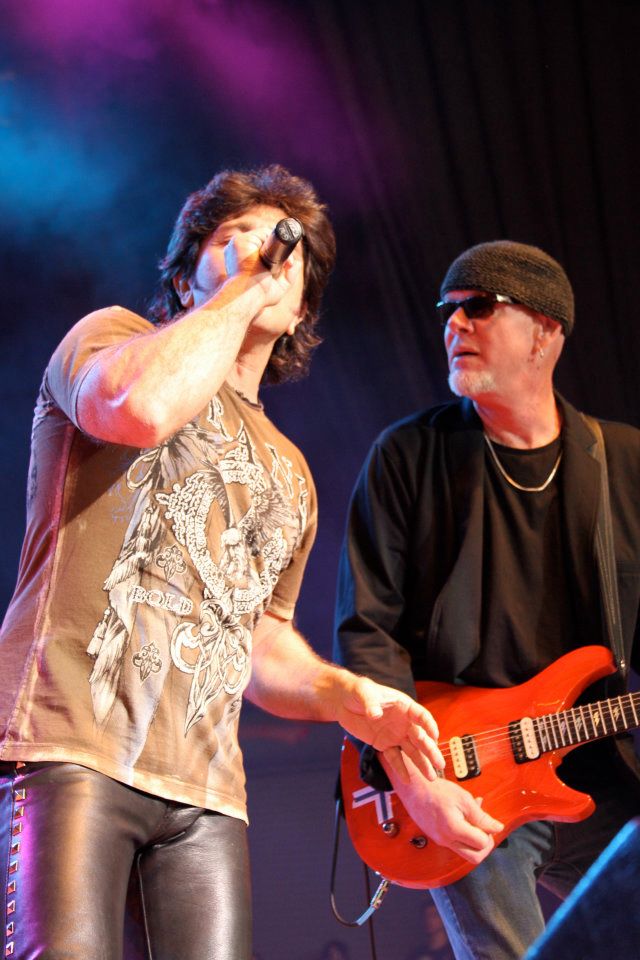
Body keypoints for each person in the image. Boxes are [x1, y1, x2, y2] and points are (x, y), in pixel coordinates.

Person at [0, 165, 445, 960]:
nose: (265, 254)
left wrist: (348, 697)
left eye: (284, 252)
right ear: (183, 277)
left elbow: (257, 644)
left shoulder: (291, 473)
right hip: (70, 747)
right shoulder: (110, 339)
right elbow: (140, 410)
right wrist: (242, 290)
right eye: (235, 237)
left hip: (205, 795)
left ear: (300, 311)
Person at [334, 240, 640, 960]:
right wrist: (415, 784)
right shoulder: (408, 456)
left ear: (545, 331)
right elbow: (367, 633)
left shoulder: (624, 463)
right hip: (459, 777)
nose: (454, 324)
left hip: (598, 774)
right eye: (447, 310)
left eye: (479, 306)